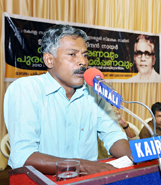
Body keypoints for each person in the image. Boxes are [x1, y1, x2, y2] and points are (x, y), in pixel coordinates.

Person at [4, 25, 132, 175]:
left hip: (85, 184)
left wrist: (137, 157)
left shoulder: (95, 92)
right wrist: (82, 166)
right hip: (40, 184)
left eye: (85, 55)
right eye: (72, 54)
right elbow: (23, 156)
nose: (83, 62)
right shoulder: (25, 89)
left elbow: (114, 136)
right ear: (49, 60)